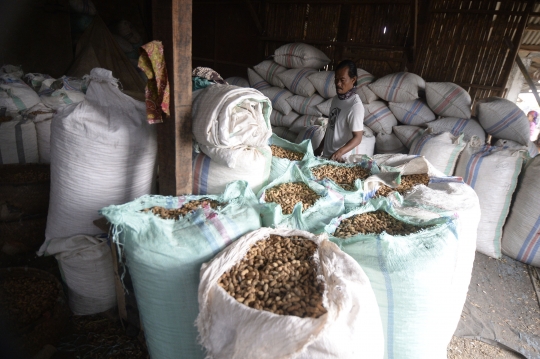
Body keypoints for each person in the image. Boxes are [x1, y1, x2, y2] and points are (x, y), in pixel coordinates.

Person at [315, 60, 364, 162]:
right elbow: (331, 127)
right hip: (326, 157)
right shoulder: (336, 99)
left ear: (353, 79)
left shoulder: (355, 105)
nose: (338, 83)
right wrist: (320, 147)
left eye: (342, 80)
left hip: (340, 160)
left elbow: (358, 138)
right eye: (336, 79)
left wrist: (339, 153)